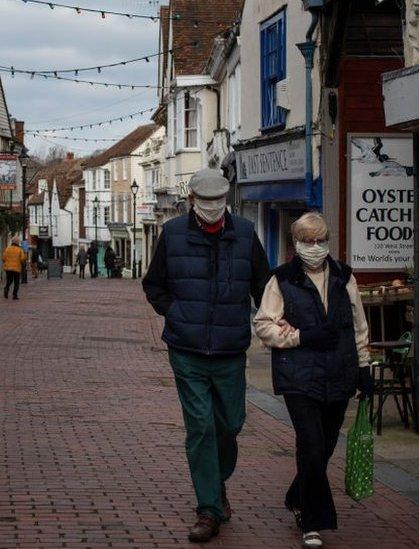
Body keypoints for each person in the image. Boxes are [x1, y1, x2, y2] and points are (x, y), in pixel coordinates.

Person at [142, 169, 269, 543]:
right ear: (192, 200)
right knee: (200, 426)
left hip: (230, 349)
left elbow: (264, 286)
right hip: (187, 349)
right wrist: (176, 313)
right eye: (205, 201)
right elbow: (154, 284)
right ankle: (209, 508)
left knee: (229, 424)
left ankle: (216, 482)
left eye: (219, 201)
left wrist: (274, 321)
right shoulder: (173, 233)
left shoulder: (245, 234)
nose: (213, 208)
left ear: (226, 200)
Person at [252, 212, 374, 548]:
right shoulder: (281, 280)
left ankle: (296, 495)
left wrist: (364, 368)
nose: (315, 247)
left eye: (321, 240)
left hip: (339, 372)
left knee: (326, 445)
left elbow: (359, 326)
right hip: (299, 375)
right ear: (296, 244)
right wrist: (301, 336)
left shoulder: (344, 278)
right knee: (311, 443)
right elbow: (264, 325)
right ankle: (313, 521)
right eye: (308, 241)